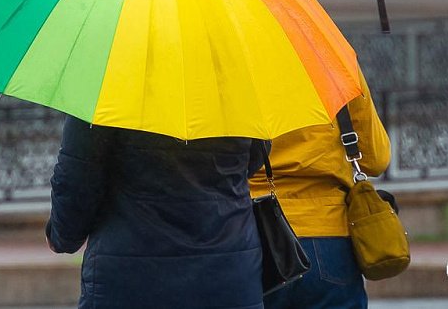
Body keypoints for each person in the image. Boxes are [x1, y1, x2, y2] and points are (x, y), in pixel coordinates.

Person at [46, 116, 270, 309]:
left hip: (130, 277)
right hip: (228, 272)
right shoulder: (236, 82)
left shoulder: (109, 82)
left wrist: (63, 236)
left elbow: (77, 177)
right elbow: (255, 158)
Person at [249, 67, 391, 309]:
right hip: (329, 240)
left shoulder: (227, 58)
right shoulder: (329, 58)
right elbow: (375, 159)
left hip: (252, 234)